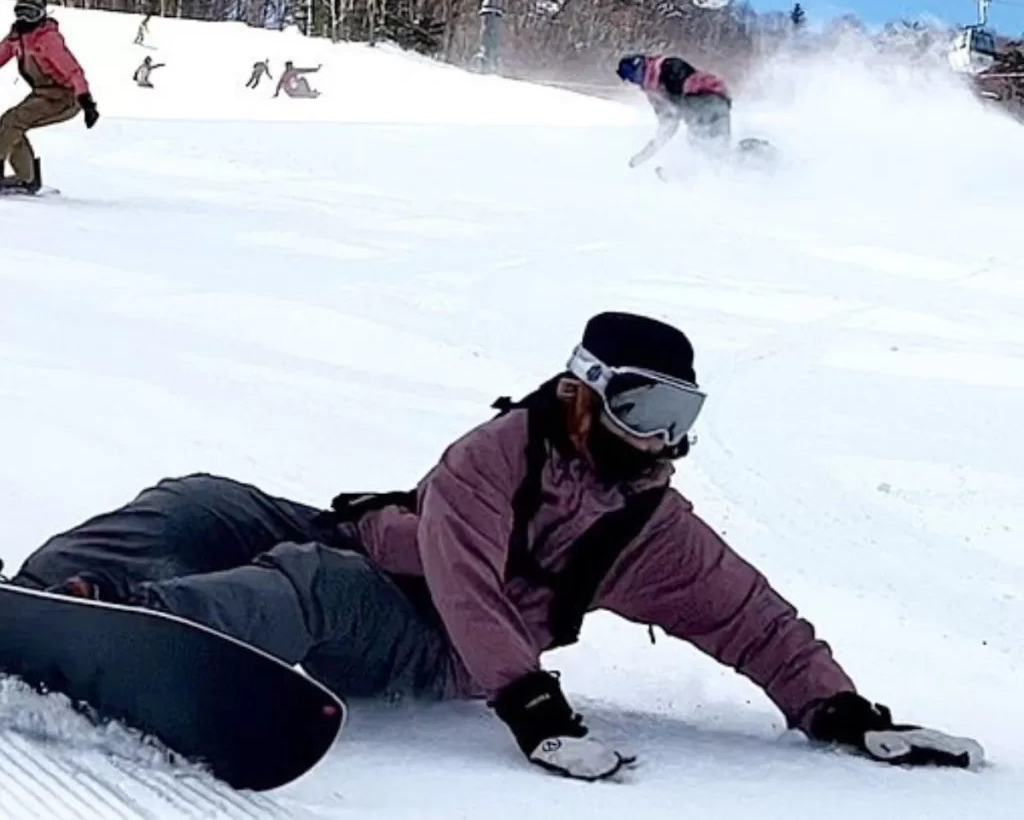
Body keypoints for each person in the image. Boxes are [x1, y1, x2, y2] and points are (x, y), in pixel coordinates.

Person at [10, 312, 983, 781]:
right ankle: (47, 593)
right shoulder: (494, 453)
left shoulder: (650, 529)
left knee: (303, 583)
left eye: (680, 414)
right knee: (202, 497)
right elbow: (457, 549)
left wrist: (842, 710)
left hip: (437, 640)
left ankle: (122, 630)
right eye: (644, 406)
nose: (663, 437)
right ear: (582, 391)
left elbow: (749, 620)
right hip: (373, 544)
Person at [0, 0, 99, 191]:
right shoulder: (17, 37)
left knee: (12, 122)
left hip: (64, 97)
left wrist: (87, 102)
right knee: (8, 124)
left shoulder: (48, 39)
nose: (24, 19)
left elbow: (73, 71)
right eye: (20, 13)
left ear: (41, 15)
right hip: (42, 94)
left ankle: (23, 177)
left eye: (31, 14)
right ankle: (26, 177)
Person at [617, 54, 731, 169]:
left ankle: (694, 173)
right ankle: (744, 160)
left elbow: (679, 104)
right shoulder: (654, 92)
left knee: (700, 141)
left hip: (709, 100)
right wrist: (647, 153)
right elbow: (667, 124)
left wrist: (675, 111)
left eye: (631, 75)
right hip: (711, 106)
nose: (634, 81)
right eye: (629, 79)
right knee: (716, 149)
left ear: (640, 66)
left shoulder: (668, 66)